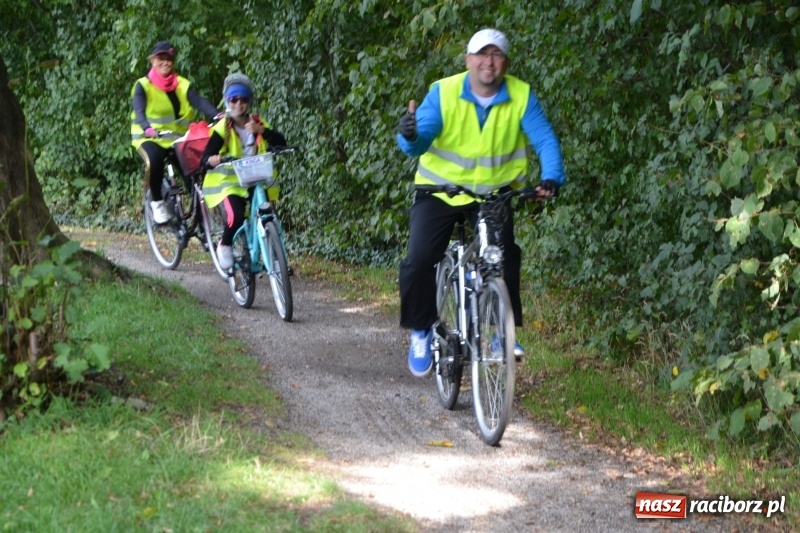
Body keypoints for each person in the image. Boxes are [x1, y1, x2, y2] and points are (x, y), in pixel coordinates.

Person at [396, 28, 565, 377]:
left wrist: (551, 177)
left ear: (505, 62)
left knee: (504, 254)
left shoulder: (520, 95)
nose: (489, 62)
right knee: (419, 259)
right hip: (440, 190)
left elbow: (545, 138)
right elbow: (419, 141)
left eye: (497, 54)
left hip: (493, 194)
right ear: (468, 60)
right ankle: (421, 330)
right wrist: (409, 134)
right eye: (482, 54)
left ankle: (501, 334)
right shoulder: (443, 92)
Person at [201, 72, 287, 270]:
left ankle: (277, 257)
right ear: (227, 101)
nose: (238, 104)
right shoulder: (222, 127)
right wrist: (213, 160)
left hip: (256, 177)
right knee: (236, 216)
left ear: (249, 101)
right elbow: (204, 159)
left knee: (269, 215)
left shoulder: (257, 122)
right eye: (233, 99)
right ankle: (225, 244)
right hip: (230, 183)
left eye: (243, 99)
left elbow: (281, 142)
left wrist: (262, 131)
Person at [130, 40, 220, 224]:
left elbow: (199, 101)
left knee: (194, 174)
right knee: (154, 161)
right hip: (150, 138)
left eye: (169, 58)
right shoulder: (143, 85)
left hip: (177, 139)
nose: (166, 62)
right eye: (161, 58)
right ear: (153, 61)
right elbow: (139, 110)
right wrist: (147, 128)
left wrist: (218, 115)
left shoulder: (181, 84)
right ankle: (157, 202)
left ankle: (203, 228)